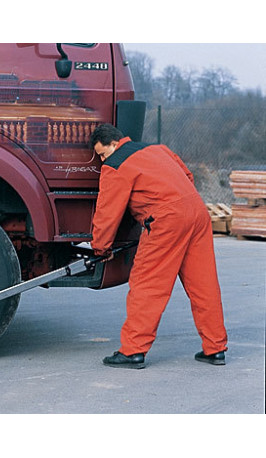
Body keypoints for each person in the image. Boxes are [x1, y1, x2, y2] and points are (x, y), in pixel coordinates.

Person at [89, 124, 228, 369]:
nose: (101, 161)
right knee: (204, 285)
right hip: (196, 212)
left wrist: (101, 248)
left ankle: (132, 351)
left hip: (166, 220)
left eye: (101, 154)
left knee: (147, 284)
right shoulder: (157, 149)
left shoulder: (116, 165)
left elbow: (107, 212)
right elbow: (187, 176)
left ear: (113, 144)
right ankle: (215, 348)